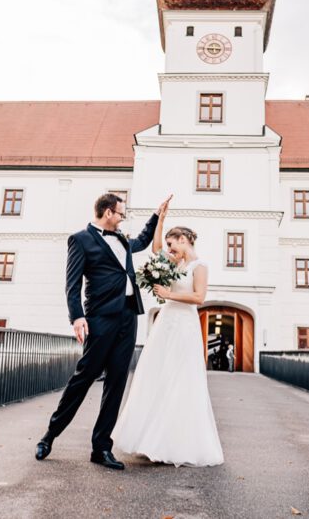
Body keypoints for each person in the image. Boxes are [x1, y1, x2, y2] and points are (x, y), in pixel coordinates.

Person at [34, 193, 169, 470]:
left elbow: (142, 242)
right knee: (83, 378)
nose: (122, 218)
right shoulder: (80, 240)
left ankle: (101, 448)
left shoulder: (120, 238)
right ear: (108, 213)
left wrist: (157, 216)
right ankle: (49, 436)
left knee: (117, 381)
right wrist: (77, 318)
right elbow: (72, 284)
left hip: (128, 316)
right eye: (121, 214)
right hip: (100, 318)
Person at [112, 200, 224, 467]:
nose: (170, 251)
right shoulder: (176, 263)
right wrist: (161, 219)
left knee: (180, 378)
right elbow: (156, 247)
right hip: (166, 324)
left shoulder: (199, 266)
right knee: (157, 375)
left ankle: (175, 442)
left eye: (174, 245)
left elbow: (199, 297)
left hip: (185, 325)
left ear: (184, 240)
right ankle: (151, 439)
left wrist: (168, 294)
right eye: (170, 246)